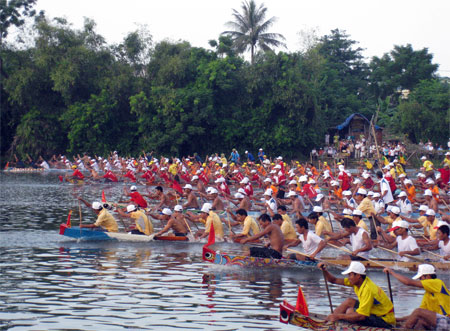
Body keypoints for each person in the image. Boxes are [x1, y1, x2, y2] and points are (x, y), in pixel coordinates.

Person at [318, 261, 395, 328]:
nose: (348, 278)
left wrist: (339, 316)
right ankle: (329, 321)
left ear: (358, 276)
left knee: (350, 312)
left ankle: (337, 320)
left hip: (385, 320)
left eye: (350, 275)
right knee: (349, 301)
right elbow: (333, 280)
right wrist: (324, 270)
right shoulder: (359, 281)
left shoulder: (367, 289)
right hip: (376, 312)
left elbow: (362, 316)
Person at [384, 264, 450, 330]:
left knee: (418, 311)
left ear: (428, 276)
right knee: (420, 321)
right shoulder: (428, 294)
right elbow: (415, 316)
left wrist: (392, 272)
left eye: (420, 278)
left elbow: (408, 282)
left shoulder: (437, 283)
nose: (419, 280)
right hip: (441, 322)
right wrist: (397, 320)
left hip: (447, 321)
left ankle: (403, 329)